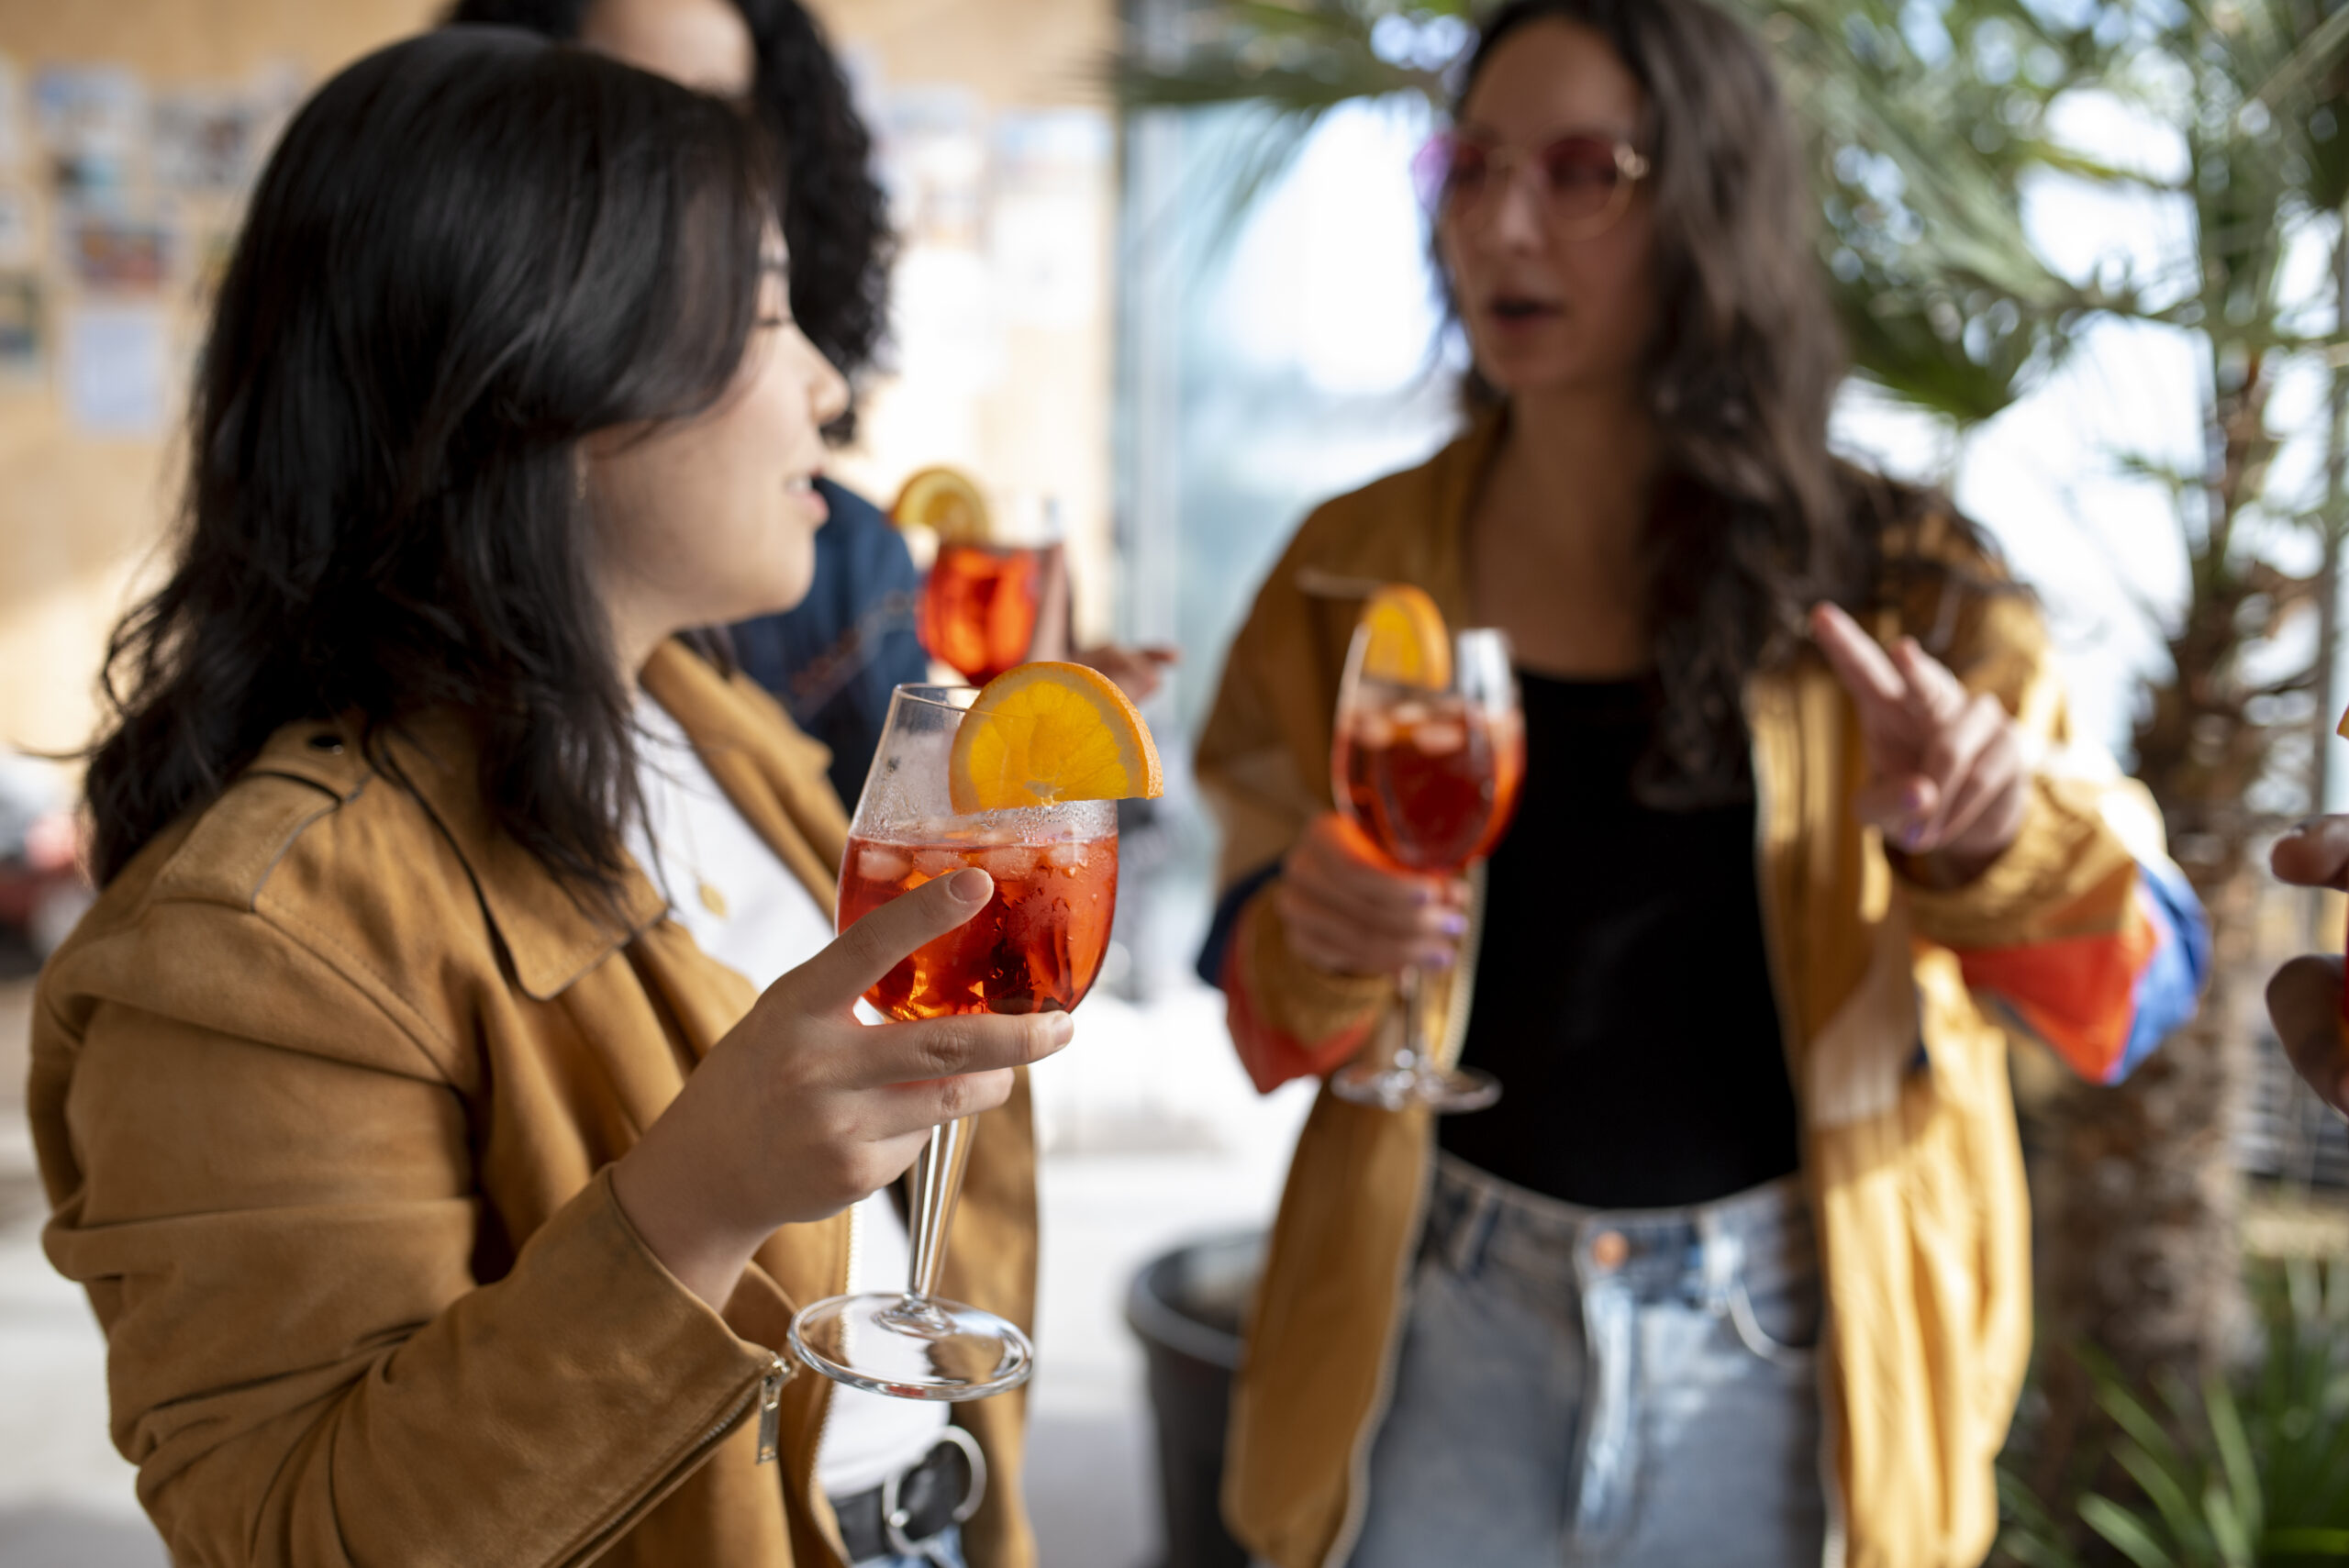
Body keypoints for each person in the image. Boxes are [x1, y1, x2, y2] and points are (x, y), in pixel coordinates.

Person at [1192, 3, 2208, 1565]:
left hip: (1794, 1343)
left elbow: (2134, 992)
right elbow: (1258, 974)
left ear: (1709, 201)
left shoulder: (1910, 580)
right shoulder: (1350, 575)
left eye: (1585, 170)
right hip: (1431, 1309)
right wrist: (1309, 928)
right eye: (1471, 166)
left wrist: (1990, 835)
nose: (1503, 222)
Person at [30, 31, 1056, 1567]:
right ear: (554, 370)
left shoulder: (707, 719)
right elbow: (297, 1533)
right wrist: (696, 1199)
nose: (829, 389)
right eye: (768, 316)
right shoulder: (250, 945)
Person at [451, 0, 1174, 808]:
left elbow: (890, 874)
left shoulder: (856, 565)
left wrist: (1019, 766)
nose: (689, 160)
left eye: (719, 114)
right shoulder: (447, 688)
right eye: (633, 108)